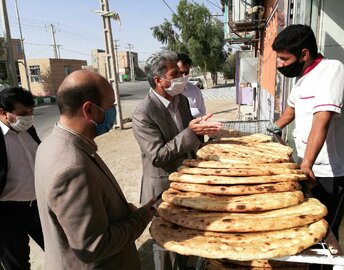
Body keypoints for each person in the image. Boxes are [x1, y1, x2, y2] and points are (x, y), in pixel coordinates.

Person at [34, 70, 156, 270]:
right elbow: (94, 246)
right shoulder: (72, 167)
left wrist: (123, 212)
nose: (114, 111)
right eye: (110, 106)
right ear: (89, 110)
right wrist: (142, 216)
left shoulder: (50, 144)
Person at [132, 50, 222, 270]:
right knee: (168, 247)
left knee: (187, 238)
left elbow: (190, 134)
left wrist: (202, 131)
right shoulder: (143, 114)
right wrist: (191, 133)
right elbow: (157, 156)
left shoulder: (180, 100)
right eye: (175, 74)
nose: (182, 78)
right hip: (163, 188)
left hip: (187, 182)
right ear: (158, 80)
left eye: (183, 73)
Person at [269, 24, 344, 240]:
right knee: (307, 224)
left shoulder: (332, 71)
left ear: (304, 54)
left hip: (334, 171)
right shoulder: (302, 78)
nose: (280, 65)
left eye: (284, 59)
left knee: (325, 231)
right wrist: (272, 129)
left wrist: (306, 163)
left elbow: (322, 121)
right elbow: (291, 109)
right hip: (310, 166)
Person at [0, 87, 44, 270]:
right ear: (3, 113)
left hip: (39, 207)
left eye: (31, 112)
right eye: (23, 113)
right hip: (8, 214)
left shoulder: (29, 129)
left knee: (62, 249)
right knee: (17, 265)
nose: (29, 117)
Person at [177, 53, 206, 117]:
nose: (184, 76)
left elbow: (202, 113)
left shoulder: (195, 91)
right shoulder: (165, 91)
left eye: (186, 72)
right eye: (181, 72)